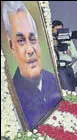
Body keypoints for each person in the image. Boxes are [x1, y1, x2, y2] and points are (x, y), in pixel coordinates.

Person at [2, 1, 61, 130]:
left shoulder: (52, 79)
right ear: (11, 45)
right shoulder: (14, 98)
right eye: (21, 41)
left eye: (32, 38)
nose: (30, 50)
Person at [52, 20, 77, 91]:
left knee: (73, 90)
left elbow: (75, 54)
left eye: (61, 30)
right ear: (52, 29)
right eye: (57, 29)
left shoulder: (68, 39)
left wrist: (69, 53)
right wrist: (54, 46)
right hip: (60, 69)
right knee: (67, 90)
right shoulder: (50, 41)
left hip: (69, 67)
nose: (59, 32)